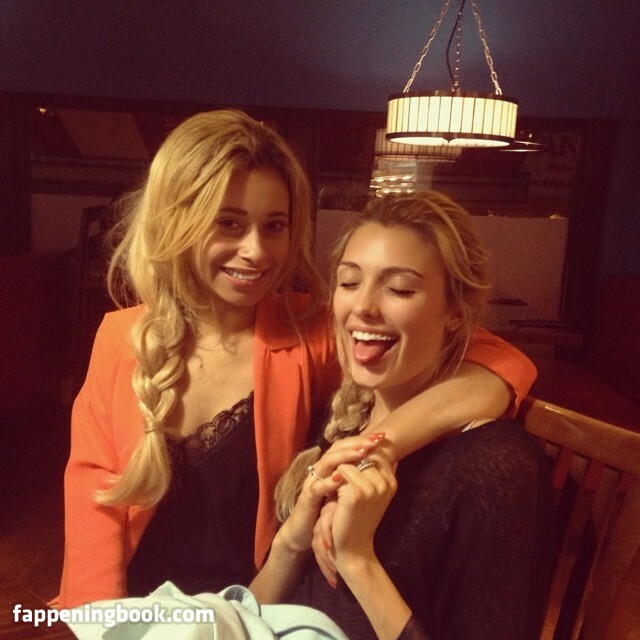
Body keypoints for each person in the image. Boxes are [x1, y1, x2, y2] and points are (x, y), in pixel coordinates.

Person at [57, 110, 537, 609]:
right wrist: (103, 625)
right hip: (137, 616)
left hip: (256, 615)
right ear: (175, 221)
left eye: (274, 226)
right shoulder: (120, 338)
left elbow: (502, 364)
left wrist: (381, 447)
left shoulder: (312, 332)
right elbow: (94, 506)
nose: (256, 251)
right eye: (228, 223)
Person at [251, 191, 555, 640]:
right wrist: (291, 544)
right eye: (349, 282)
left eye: (399, 289)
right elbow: (245, 617)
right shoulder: (339, 425)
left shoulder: (494, 466)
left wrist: (358, 561)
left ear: (455, 313)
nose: (363, 307)